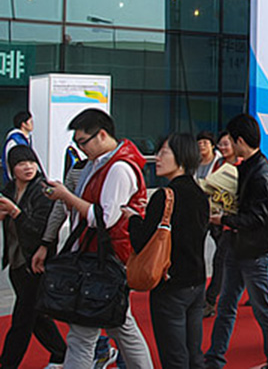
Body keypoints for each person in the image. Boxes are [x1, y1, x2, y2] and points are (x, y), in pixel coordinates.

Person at [44, 108, 154, 369]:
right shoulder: (102, 163)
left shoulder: (118, 168)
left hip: (104, 258)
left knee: (83, 336)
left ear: (102, 135)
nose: (81, 149)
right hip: (102, 258)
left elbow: (104, 218)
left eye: (83, 142)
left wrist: (66, 196)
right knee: (120, 326)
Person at [124, 133, 209, 368]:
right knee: (194, 354)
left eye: (164, 152)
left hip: (170, 284)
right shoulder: (200, 194)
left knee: (174, 356)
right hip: (197, 282)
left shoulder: (165, 196)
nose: (157, 158)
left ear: (181, 157)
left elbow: (142, 242)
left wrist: (133, 218)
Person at [205, 114, 268, 369]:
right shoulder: (248, 166)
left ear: (240, 141)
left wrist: (224, 219)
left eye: (229, 140)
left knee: (263, 308)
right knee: (227, 304)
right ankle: (214, 358)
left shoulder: (260, 173)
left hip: (254, 249)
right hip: (237, 245)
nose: (225, 145)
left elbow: (256, 218)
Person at [0, 145, 67, 369]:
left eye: (31, 162)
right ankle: (62, 353)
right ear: (12, 168)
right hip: (16, 261)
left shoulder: (42, 191)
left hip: (35, 262)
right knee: (36, 316)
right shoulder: (9, 190)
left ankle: (7, 364)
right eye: (21, 164)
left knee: (22, 319)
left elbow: (40, 230)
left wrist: (15, 212)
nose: (28, 167)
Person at [203, 131, 241, 318]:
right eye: (221, 144)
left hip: (235, 222)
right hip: (218, 217)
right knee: (224, 260)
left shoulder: (242, 165)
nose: (223, 148)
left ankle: (210, 301)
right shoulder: (219, 164)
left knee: (221, 260)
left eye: (227, 144)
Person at [3, 110, 34, 185]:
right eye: (30, 122)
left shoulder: (26, 139)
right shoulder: (14, 141)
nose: (32, 124)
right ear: (23, 124)